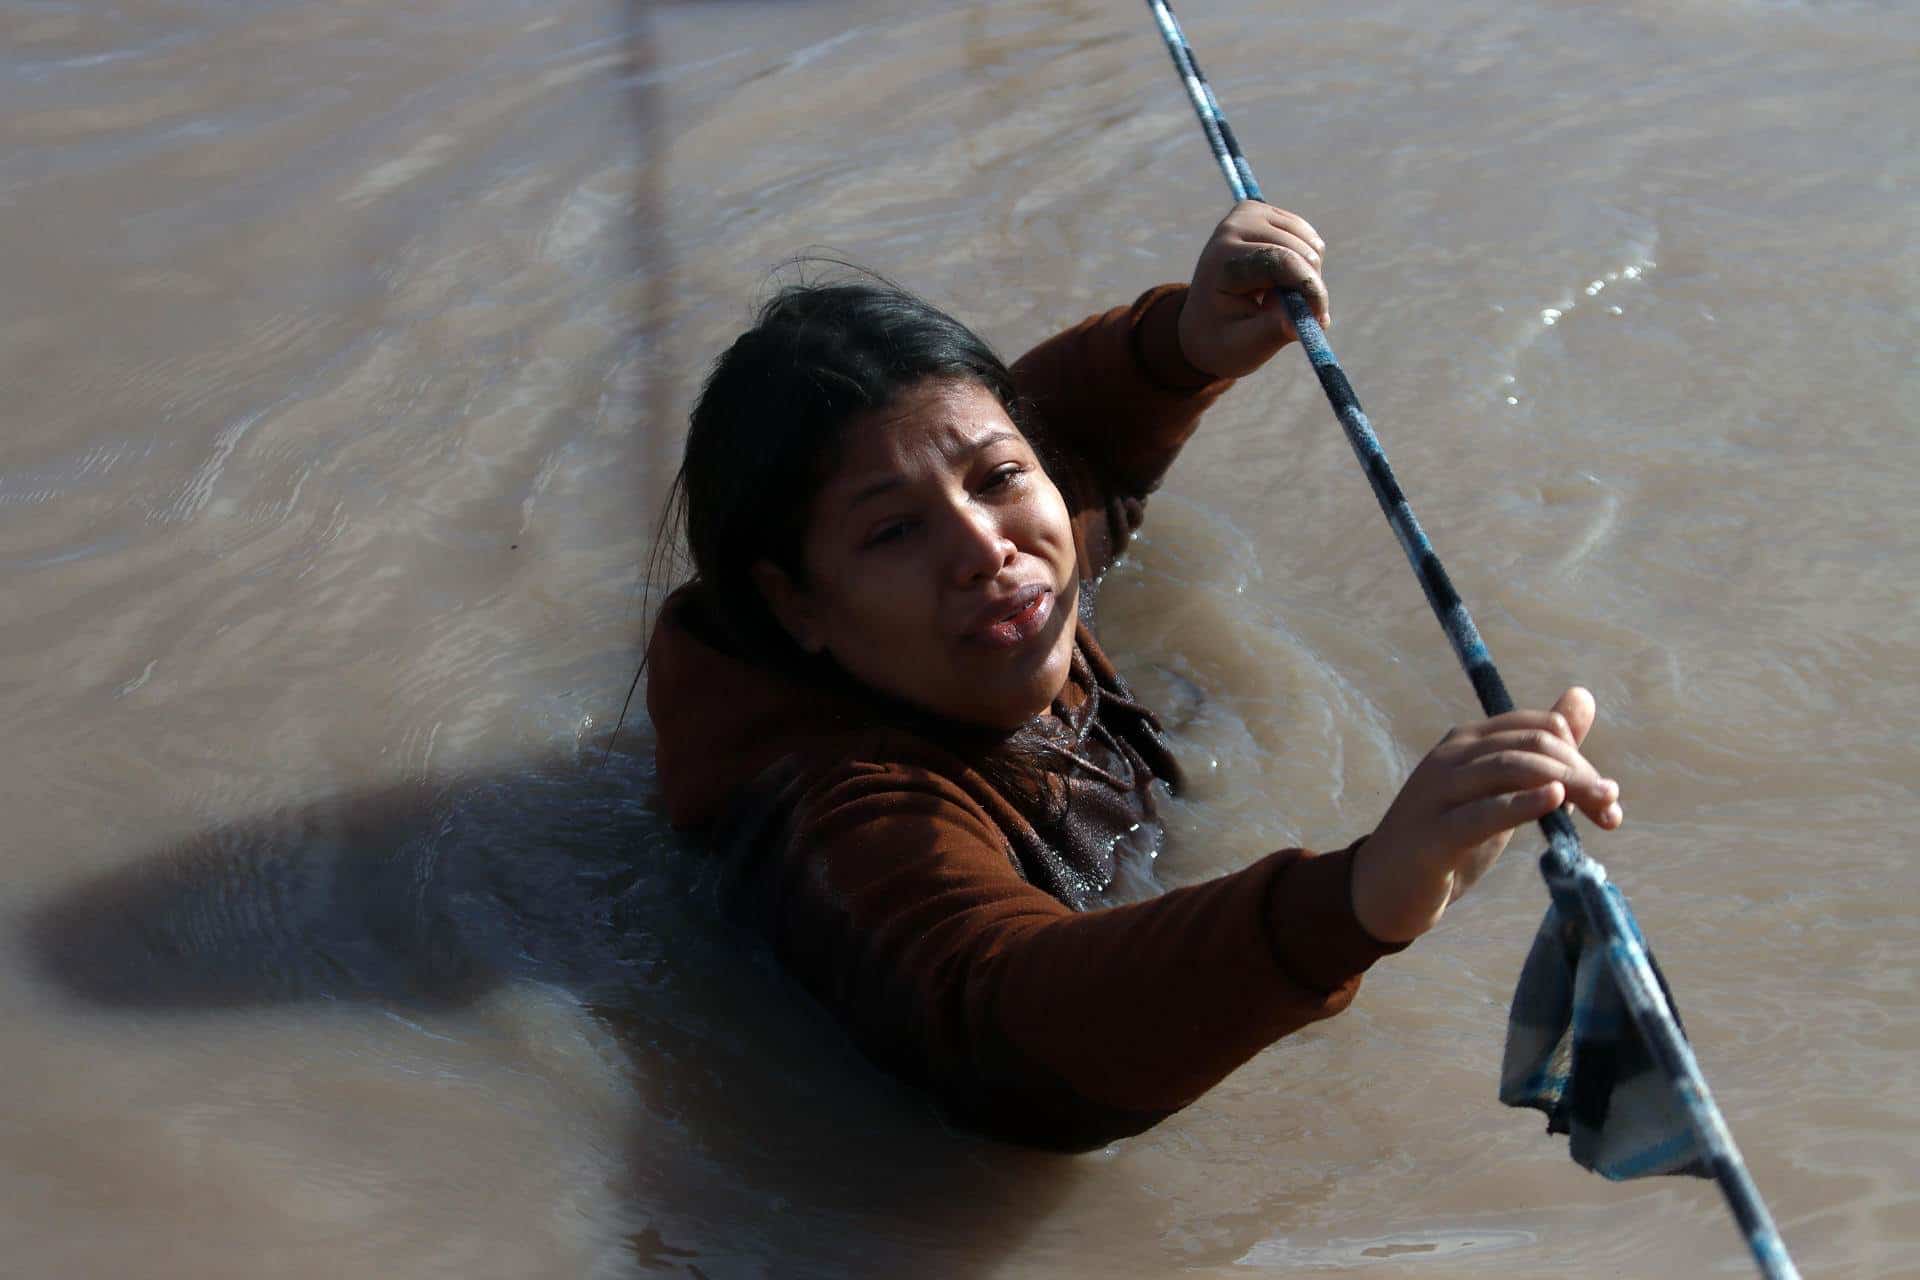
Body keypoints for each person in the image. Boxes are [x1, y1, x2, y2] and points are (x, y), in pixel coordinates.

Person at [644, 201, 1623, 1150]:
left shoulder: (996, 581)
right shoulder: (841, 811)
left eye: (997, 479)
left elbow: (1074, 426)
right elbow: (998, 1016)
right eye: (894, 529)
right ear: (794, 604)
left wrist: (1184, 342)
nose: (986, 546)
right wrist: (1362, 898)